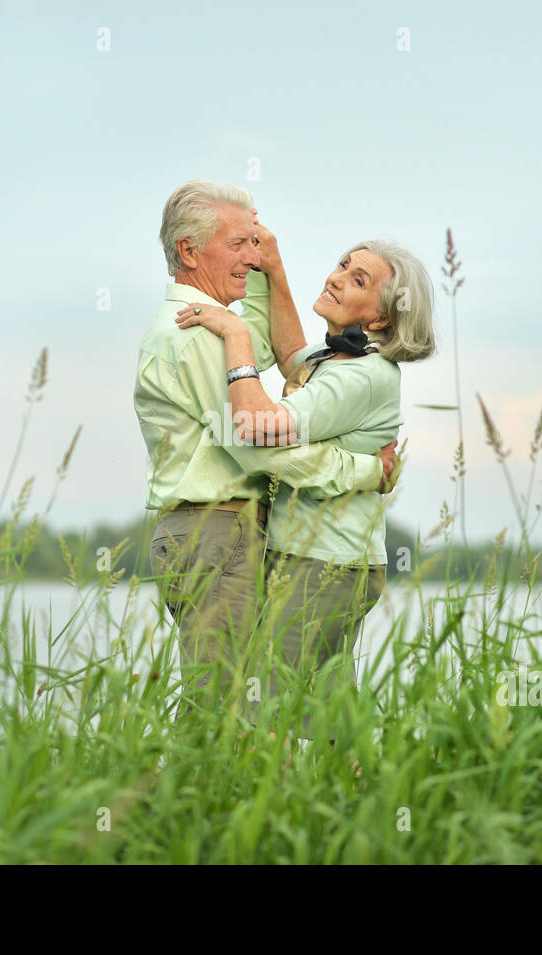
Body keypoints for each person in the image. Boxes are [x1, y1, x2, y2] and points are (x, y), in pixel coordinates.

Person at [134, 180, 399, 734]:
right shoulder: (197, 335)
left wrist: (269, 267)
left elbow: (281, 350)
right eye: (239, 246)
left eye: (254, 245)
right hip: (215, 530)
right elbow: (259, 447)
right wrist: (365, 470)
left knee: (245, 705)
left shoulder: (215, 323)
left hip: (228, 534)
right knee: (224, 710)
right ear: (189, 252)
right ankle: (188, 813)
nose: (251, 258)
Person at [173, 226, 435, 746]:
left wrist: (237, 335)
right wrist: (274, 268)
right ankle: (360, 809)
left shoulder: (361, 377)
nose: (337, 277)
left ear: (380, 317)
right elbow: (295, 356)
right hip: (330, 562)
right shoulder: (338, 360)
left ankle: (268, 815)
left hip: (324, 565)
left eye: (357, 278)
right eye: (342, 264)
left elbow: (261, 429)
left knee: (266, 706)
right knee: (330, 715)